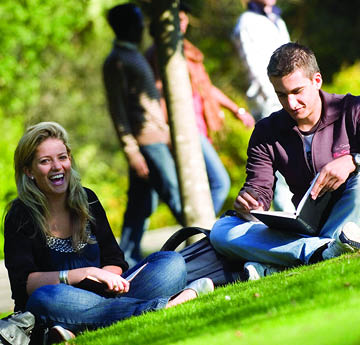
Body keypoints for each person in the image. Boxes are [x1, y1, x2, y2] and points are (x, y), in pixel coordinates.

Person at [4, 122, 214, 344]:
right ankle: (160, 307)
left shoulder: (88, 199)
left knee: (171, 262)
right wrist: (84, 274)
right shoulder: (20, 215)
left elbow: (115, 260)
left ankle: (79, 326)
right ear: (29, 171)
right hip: (59, 300)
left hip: (105, 296)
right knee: (44, 297)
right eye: (45, 161)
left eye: (62, 157)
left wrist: (110, 278)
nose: (57, 166)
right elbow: (23, 284)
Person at [210, 42, 360, 280]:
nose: (291, 104)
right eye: (281, 94)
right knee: (221, 231)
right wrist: (250, 203)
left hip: (352, 217)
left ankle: (289, 260)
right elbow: (258, 188)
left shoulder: (352, 110)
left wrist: (353, 160)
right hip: (306, 229)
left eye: (297, 91)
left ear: (317, 81)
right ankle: (323, 251)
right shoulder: (266, 132)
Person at [146, 3, 255, 216]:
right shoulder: (162, 53)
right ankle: (201, 234)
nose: (183, 23)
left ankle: (199, 234)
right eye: (179, 19)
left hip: (199, 125)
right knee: (220, 182)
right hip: (186, 129)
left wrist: (236, 110)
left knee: (206, 186)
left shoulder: (183, 48)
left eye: (185, 19)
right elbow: (159, 92)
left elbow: (205, 88)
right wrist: (167, 130)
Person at [102, 3, 184, 266]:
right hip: (147, 144)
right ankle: (206, 241)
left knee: (140, 206)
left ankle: (123, 258)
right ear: (125, 26)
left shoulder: (133, 55)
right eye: (137, 21)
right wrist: (132, 151)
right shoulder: (116, 61)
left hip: (158, 139)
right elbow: (118, 111)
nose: (142, 26)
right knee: (175, 194)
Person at [232, 0, 293, 212]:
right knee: (279, 167)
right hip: (270, 103)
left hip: (286, 99)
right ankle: (287, 218)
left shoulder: (278, 19)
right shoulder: (247, 21)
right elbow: (254, 66)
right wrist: (276, 96)